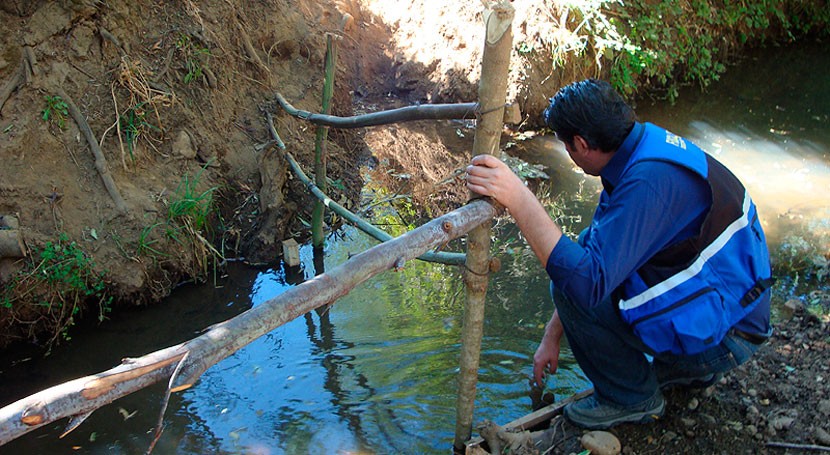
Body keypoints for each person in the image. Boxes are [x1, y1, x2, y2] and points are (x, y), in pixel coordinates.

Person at [465, 79, 772, 430]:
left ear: (581, 144)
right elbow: (592, 250)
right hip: (737, 315)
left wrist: (518, 197)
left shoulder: (647, 183)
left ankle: (632, 398)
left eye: (567, 145)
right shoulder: (645, 147)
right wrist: (551, 337)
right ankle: (686, 370)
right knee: (583, 247)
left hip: (732, 337)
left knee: (572, 285)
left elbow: (586, 285)